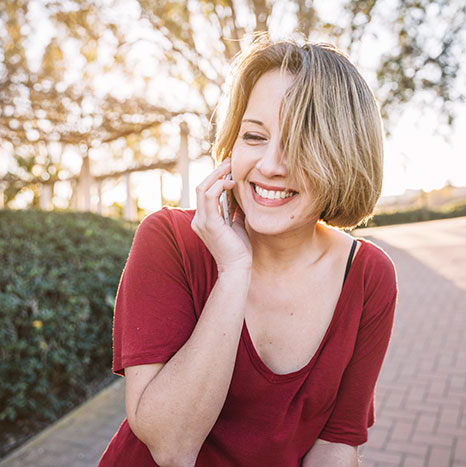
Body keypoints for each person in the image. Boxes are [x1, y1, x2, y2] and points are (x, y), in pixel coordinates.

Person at [99, 35, 397, 467]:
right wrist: (234, 270)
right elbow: (172, 446)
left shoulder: (369, 276)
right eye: (254, 136)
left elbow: (336, 446)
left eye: (302, 141)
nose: (272, 165)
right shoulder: (169, 240)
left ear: (345, 155)